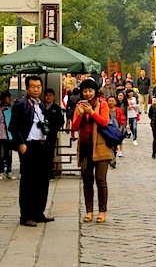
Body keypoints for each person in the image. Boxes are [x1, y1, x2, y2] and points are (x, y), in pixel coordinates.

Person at [8, 76, 54, 227]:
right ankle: (26, 215)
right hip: (29, 146)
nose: (36, 89)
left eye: (38, 86)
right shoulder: (21, 104)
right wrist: (20, 143)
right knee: (29, 182)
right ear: (27, 88)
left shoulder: (41, 105)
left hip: (43, 146)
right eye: (33, 86)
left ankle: (38, 212)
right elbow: (13, 127)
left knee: (42, 181)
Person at [71, 79, 112, 223]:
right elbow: (74, 127)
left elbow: (104, 122)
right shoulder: (79, 106)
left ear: (95, 91)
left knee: (101, 180)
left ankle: (102, 211)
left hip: (101, 148)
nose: (87, 94)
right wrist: (81, 114)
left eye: (90, 91)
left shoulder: (102, 104)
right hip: (85, 148)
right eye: (85, 91)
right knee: (87, 181)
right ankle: (89, 211)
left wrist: (92, 112)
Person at [0, 91, 15, 180]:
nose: (9, 99)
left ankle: (9, 170)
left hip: (9, 135)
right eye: (8, 97)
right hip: (1, 134)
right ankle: (1, 171)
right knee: (1, 154)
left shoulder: (12, 109)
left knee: (9, 154)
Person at [43, 89, 65, 180]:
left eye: (50, 95)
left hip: (51, 134)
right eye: (47, 95)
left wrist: (54, 128)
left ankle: (50, 173)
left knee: (50, 154)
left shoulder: (56, 108)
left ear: (54, 97)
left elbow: (61, 121)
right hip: (41, 135)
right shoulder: (40, 107)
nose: (48, 97)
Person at [107, 96, 126, 168]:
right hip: (108, 130)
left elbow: (122, 120)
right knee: (109, 145)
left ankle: (113, 159)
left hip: (116, 130)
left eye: (112, 101)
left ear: (115, 102)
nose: (111, 102)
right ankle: (111, 159)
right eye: (109, 101)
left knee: (114, 146)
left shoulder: (118, 110)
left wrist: (121, 129)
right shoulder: (105, 110)